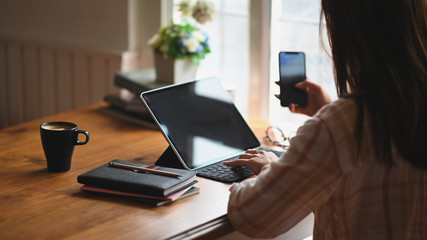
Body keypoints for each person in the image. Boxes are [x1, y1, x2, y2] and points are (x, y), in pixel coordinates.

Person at [224, 0, 427, 239]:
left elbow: (249, 216)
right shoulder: (360, 120)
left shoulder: (342, 125)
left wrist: (271, 167)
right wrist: (329, 110)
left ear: (351, 33)